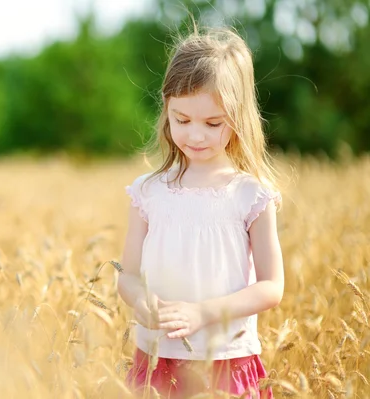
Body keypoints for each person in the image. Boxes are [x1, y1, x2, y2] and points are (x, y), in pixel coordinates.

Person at [118, 24, 284, 399]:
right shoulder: (148, 192)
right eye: (182, 119)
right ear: (166, 108)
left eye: (212, 123)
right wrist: (141, 302)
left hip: (226, 360)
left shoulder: (250, 195)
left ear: (238, 117)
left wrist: (202, 313)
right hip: (158, 358)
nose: (195, 135)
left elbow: (272, 287)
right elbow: (126, 276)